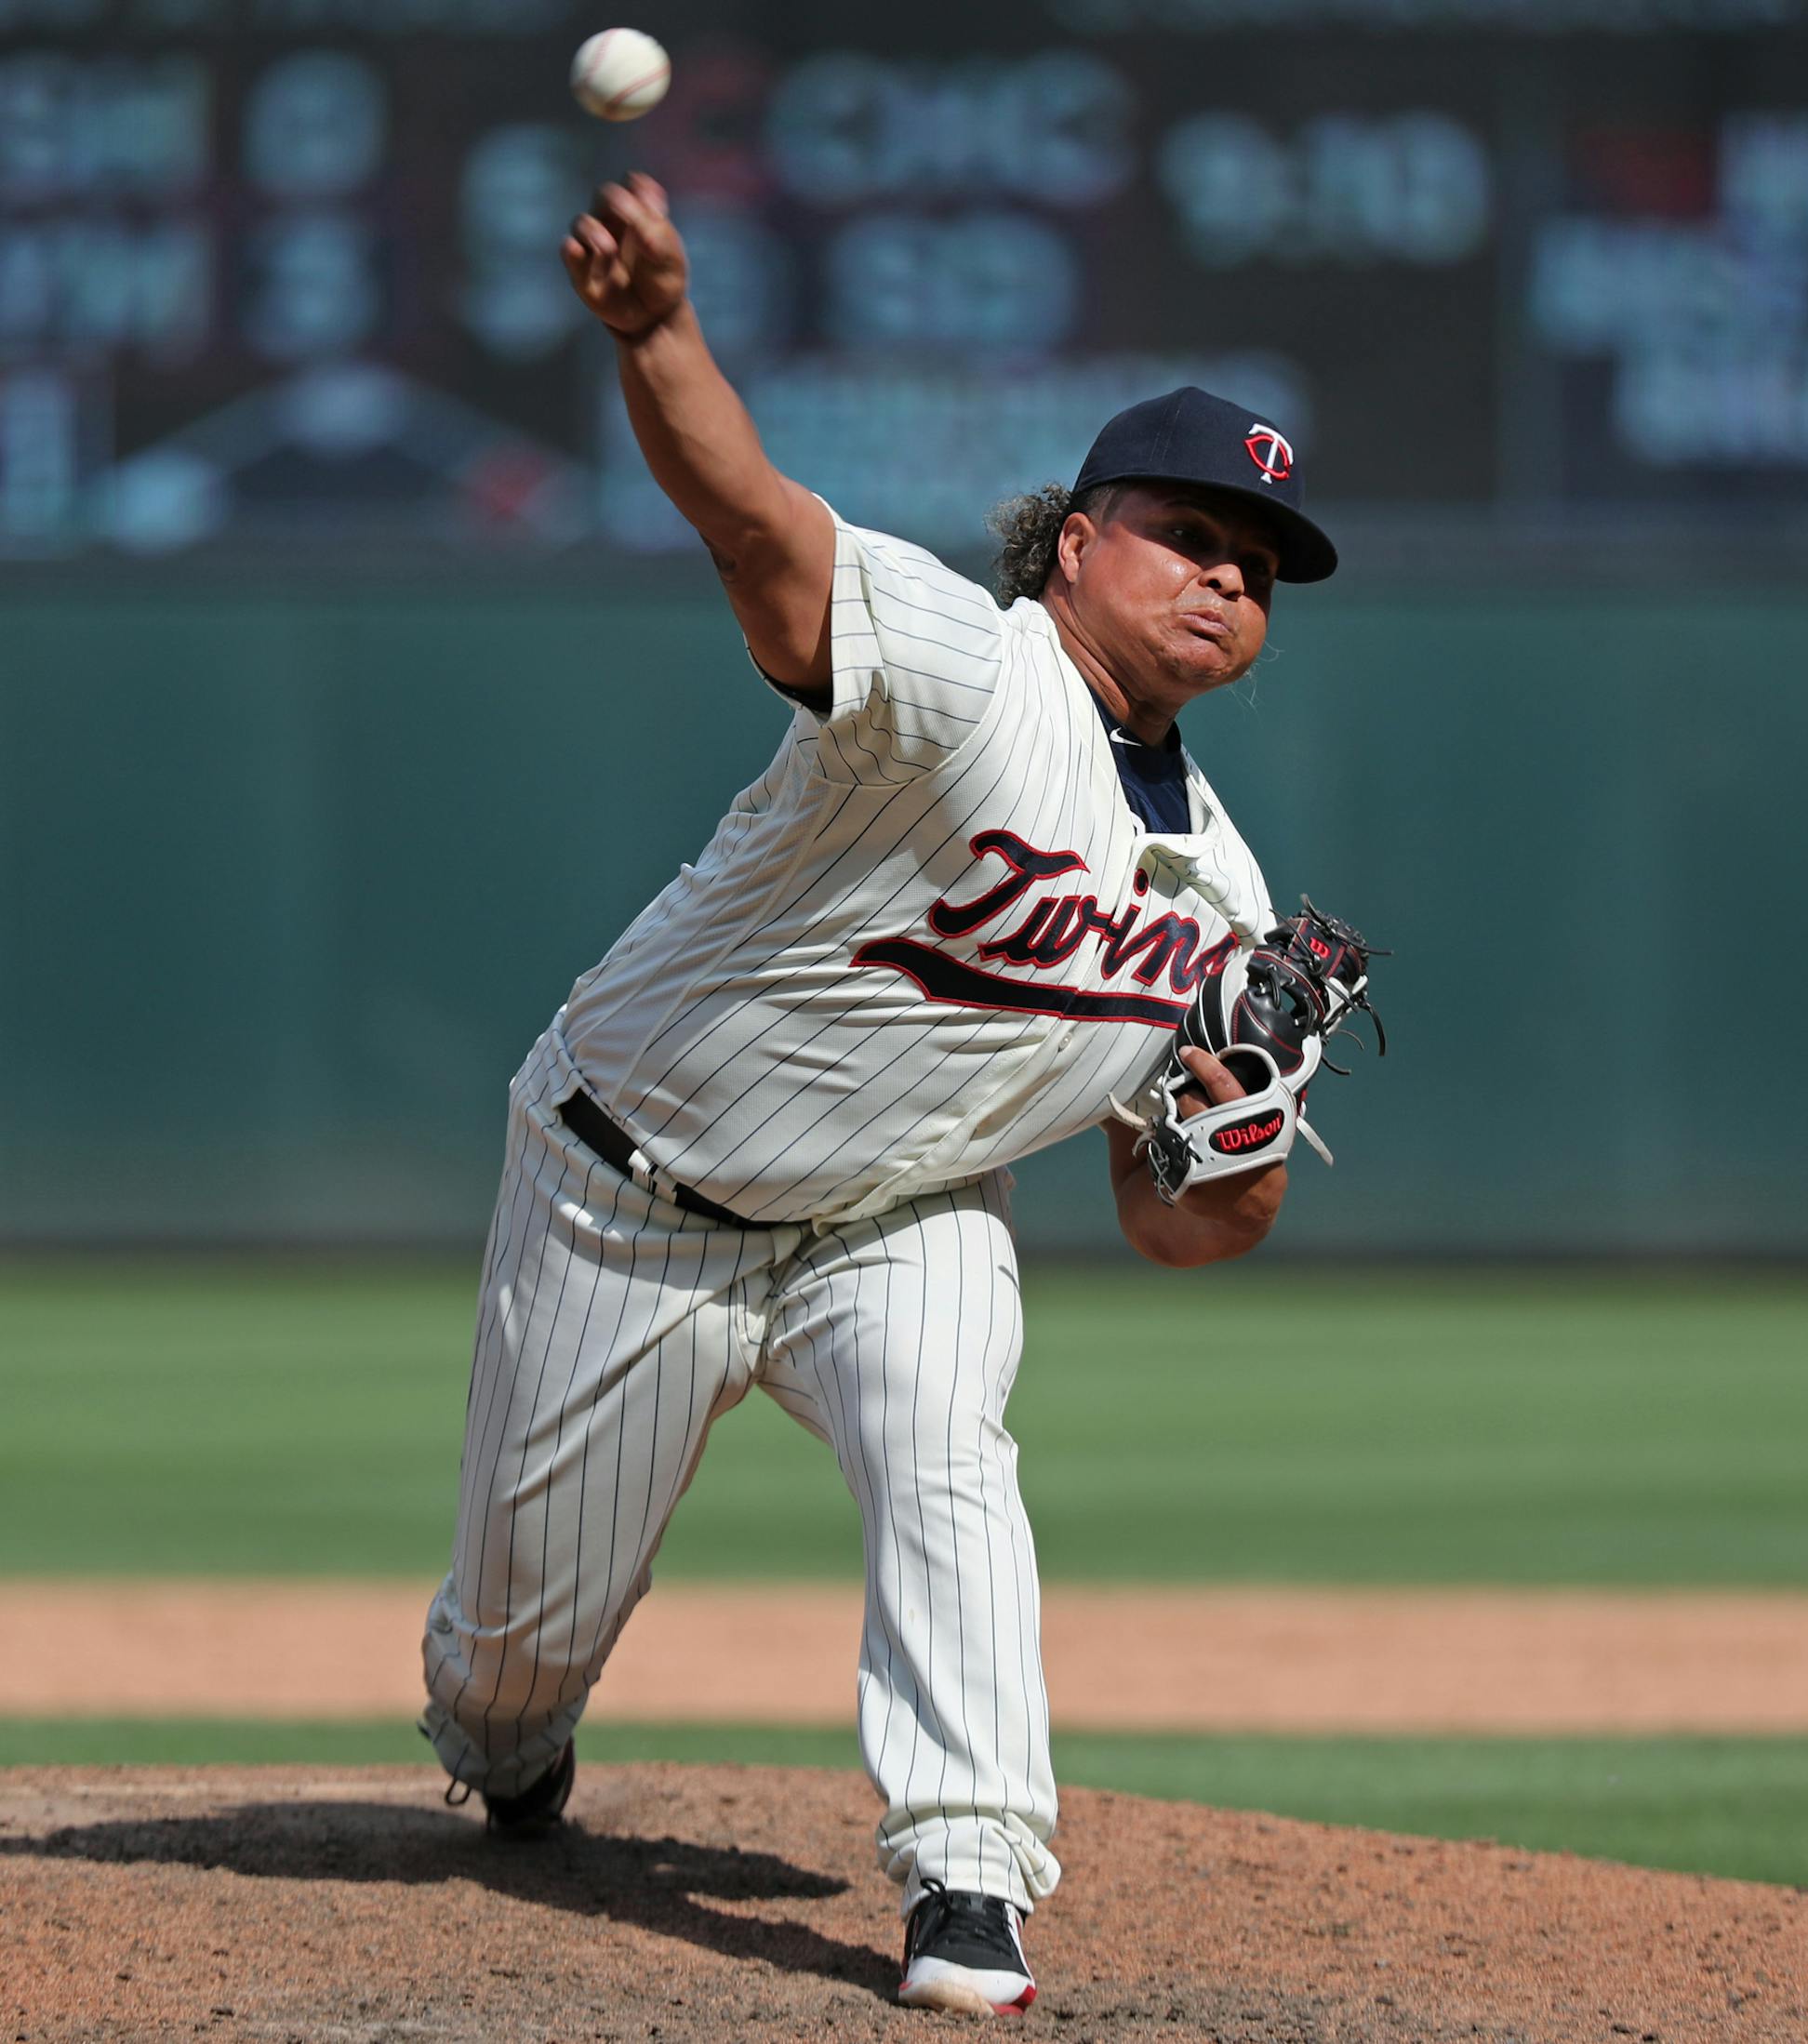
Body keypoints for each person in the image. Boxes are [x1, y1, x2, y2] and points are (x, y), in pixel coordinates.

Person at [418, 171, 1342, 2017]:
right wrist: (656, 330)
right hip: (632, 1183)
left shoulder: (1227, 904)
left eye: (1261, 557)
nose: (1230, 570)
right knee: (510, 1662)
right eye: (1189, 528)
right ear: (1075, 541)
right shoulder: (963, 671)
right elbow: (757, 528)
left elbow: (1181, 1228)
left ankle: (972, 1879)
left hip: (903, 1214)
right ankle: (511, 1740)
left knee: (950, 1455)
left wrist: (1239, 1109)